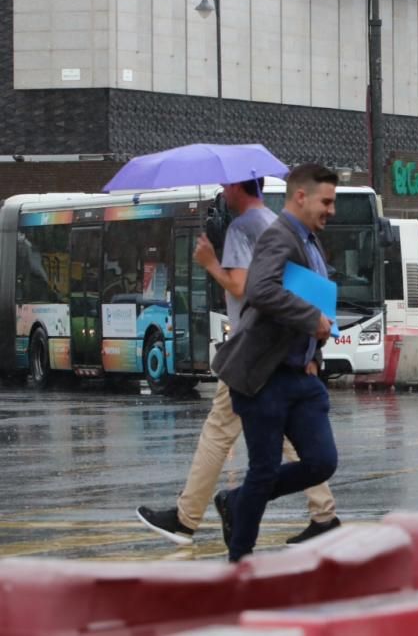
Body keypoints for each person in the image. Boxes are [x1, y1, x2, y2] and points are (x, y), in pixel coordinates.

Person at [136, 179, 339, 547]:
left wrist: (210, 263)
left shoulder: (242, 228)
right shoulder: (275, 222)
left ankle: (188, 519)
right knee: (292, 439)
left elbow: (246, 288)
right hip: (279, 352)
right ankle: (323, 513)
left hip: (251, 351)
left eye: (225, 185)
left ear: (234, 186)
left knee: (218, 434)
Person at [210, 163, 340, 562]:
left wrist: (314, 354)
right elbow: (261, 290)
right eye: (326, 201)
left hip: (299, 376)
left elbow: (312, 298)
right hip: (265, 376)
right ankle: (240, 560)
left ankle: (236, 501)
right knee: (264, 470)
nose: (331, 211)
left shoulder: (310, 240)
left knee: (321, 461)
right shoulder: (278, 236)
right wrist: (311, 319)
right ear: (300, 197)